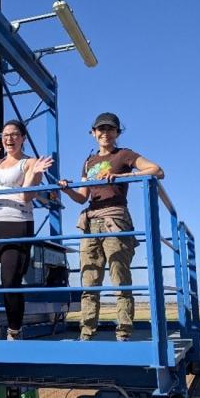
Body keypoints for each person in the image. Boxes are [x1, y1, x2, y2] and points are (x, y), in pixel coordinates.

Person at [58, 112, 164, 342]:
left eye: (110, 129)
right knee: (89, 281)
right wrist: (67, 188)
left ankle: (124, 332)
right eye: (100, 129)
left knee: (120, 279)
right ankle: (86, 332)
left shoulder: (124, 154)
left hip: (115, 221)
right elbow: (82, 197)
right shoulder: (89, 161)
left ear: (117, 132)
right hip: (90, 222)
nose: (105, 133)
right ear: (93, 133)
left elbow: (157, 170)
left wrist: (119, 176)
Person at [0, 120, 53, 340]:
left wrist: (35, 175)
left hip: (16, 222)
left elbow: (26, 196)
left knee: (10, 283)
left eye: (14, 134)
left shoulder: (29, 162)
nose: (9, 139)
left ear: (23, 138)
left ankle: (14, 331)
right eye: (5, 135)